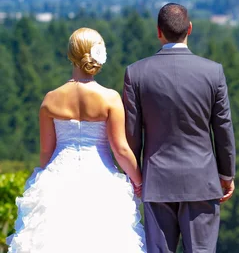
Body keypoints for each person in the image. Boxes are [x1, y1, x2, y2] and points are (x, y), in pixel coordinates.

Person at [7, 28, 146, 253]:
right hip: (101, 180)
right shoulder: (110, 97)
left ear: (71, 54)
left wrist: (40, 182)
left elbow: (46, 152)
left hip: (57, 178)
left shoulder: (51, 99)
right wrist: (138, 181)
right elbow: (120, 149)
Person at [123, 3, 236, 253]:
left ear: (158, 31)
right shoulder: (212, 72)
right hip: (202, 180)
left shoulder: (136, 73)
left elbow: (132, 134)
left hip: (157, 181)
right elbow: (223, 129)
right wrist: (226, 175)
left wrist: (136, 177)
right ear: (190, 29)